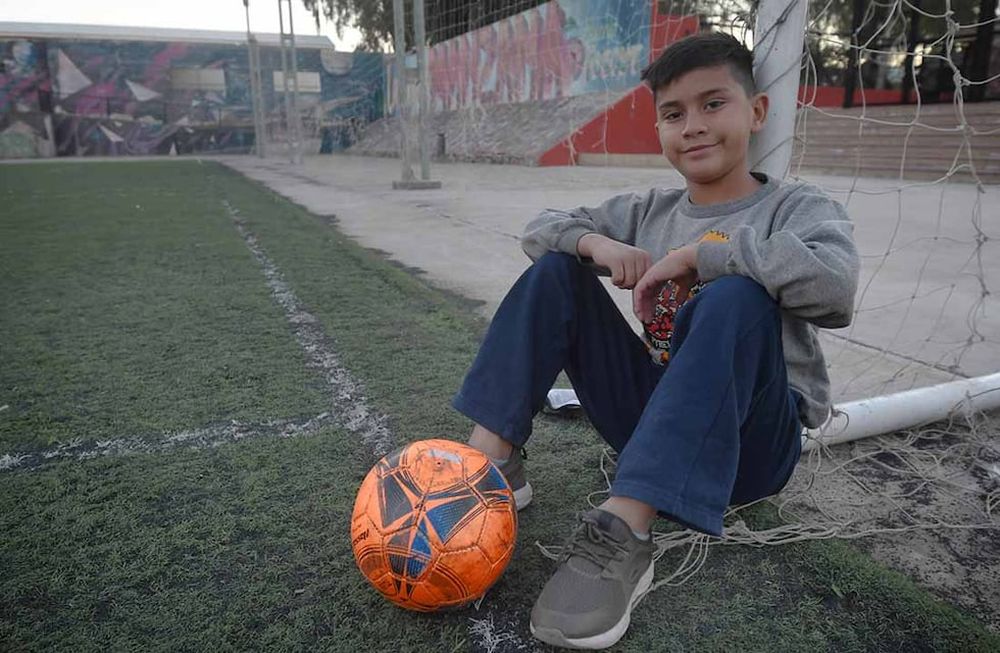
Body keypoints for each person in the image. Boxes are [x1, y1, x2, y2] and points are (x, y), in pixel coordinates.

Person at [452, 32, 860, 650]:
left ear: (756, 112)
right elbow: (541, 231)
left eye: (713, 104)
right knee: (556, 271)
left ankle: (625, 534)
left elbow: (836, 289)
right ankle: (489, 468)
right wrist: (596, 245)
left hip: (751, 451)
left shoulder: (795, 208)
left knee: (735, 295)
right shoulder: (650, 209)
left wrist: (708, 254)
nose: (693, 126)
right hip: (653, 424)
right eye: (674, 114)